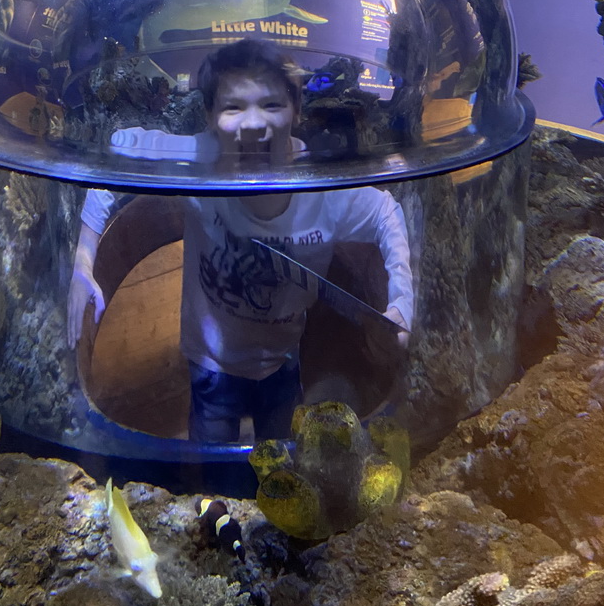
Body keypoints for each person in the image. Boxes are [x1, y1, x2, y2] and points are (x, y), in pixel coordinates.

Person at [68, 38, 413, 442]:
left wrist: (402, 302)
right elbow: (115, 157)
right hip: (210, 366)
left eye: (271, 105)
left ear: (297, 109)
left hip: (284, 360)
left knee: (281, 464)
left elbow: (387, 213)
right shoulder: (198, 159)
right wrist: (82, 264)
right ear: (210, 116)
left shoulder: (324, 190)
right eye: (233, 107)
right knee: (211, 474)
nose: (253, 123)